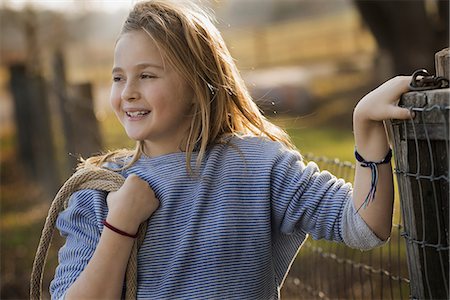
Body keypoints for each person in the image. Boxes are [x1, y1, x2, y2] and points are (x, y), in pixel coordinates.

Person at [50, 0, 414, 299]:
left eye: (146, 75)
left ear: (196, 84)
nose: (127, 91)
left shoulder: (258, 167)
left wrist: (366, 128)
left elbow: (365, 226)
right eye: (118, 77)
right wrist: (121, 224)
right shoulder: (99, 190)